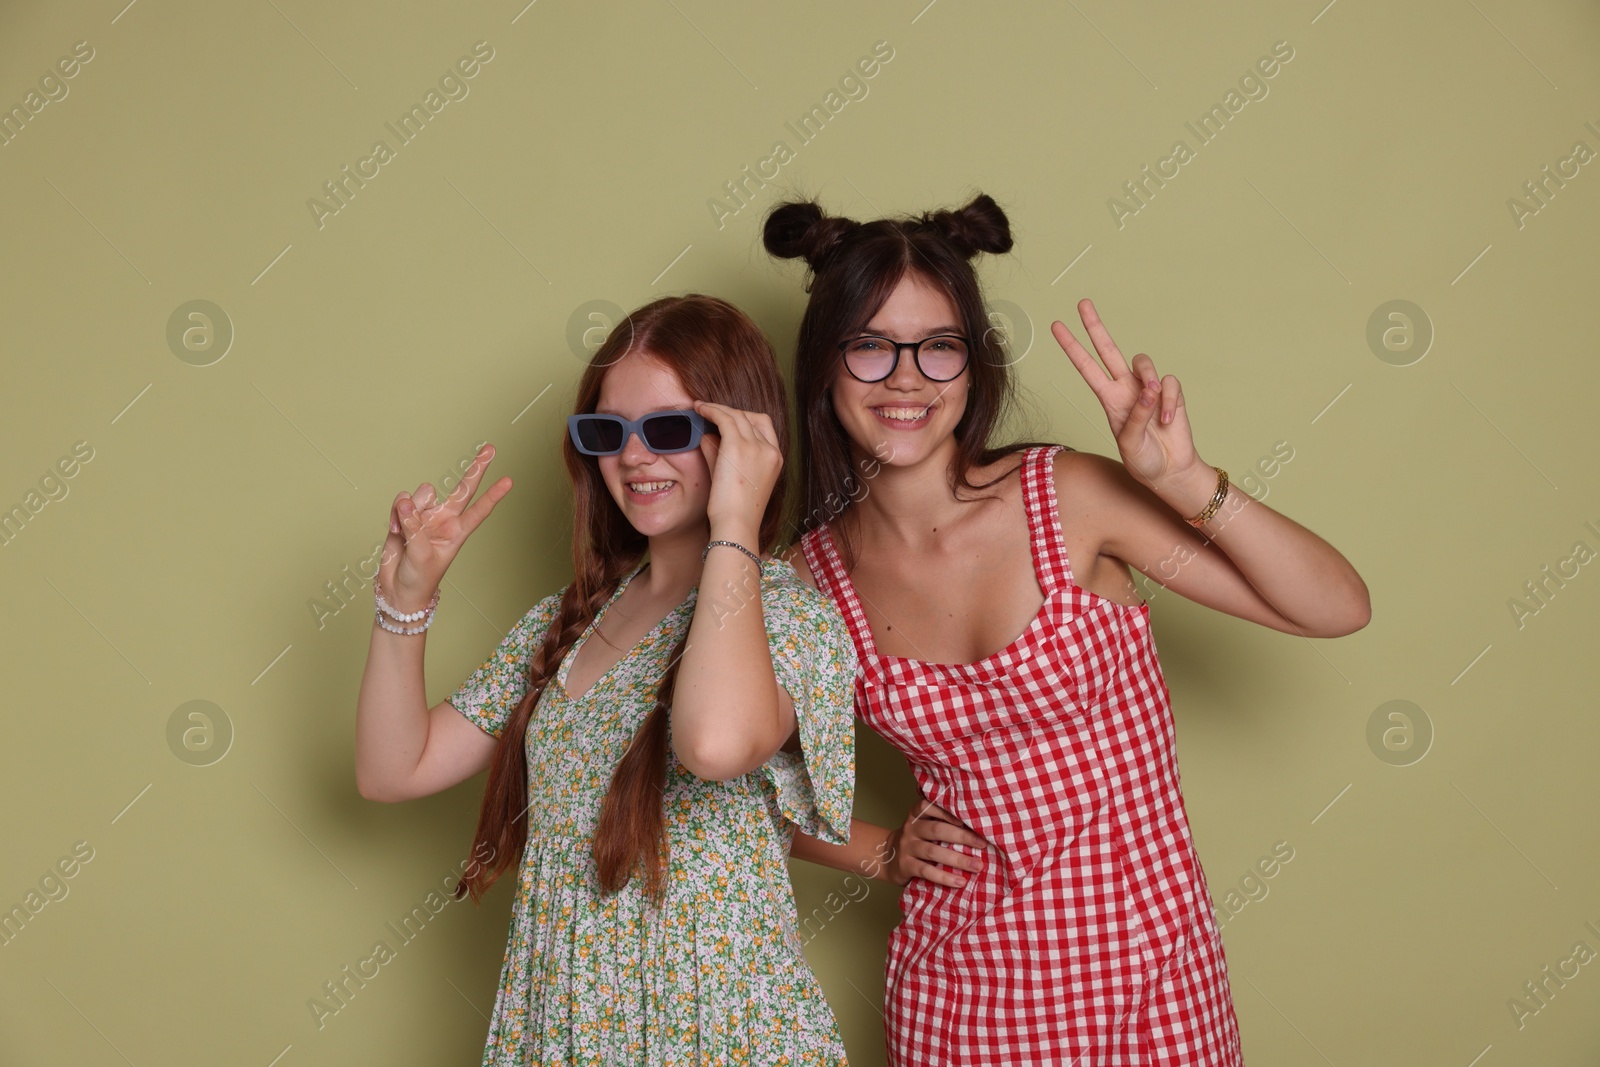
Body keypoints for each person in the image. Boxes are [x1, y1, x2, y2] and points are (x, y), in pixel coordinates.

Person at [763, 194, 1370, 1065]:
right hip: (959, 1004)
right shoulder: (806, 578)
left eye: (939, 346)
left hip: (1154, 988)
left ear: (974, 365)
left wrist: (1188, 478)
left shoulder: (1069, 498)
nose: (906, 378)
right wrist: (883, 851)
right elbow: (720, 783)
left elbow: (1334, 606)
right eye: (870, 346)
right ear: (825, 364)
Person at [353, 294, 859, 1066]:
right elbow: (394, 768)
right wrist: (405, 601)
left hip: (714, 1035)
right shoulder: (568, 620)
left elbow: (714, 743)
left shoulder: (789, 618)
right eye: (606, 431)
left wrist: (737, 523)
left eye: (666, 428)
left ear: (742, 438)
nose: (632, 456)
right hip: (567, 1025)